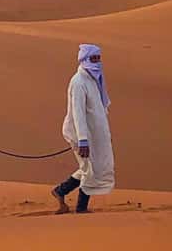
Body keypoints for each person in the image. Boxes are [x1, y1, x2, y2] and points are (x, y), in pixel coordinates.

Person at [54, 43, 115, 214]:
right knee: (90, 169)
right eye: (93, 58)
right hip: (80, 134)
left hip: (93, 133)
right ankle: (81, 208)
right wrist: (82, 140)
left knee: (92, 167)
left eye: (98, 58)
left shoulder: (94, 79)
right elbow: (78, 113)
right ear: (84, 59)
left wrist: (103, 134)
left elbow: (98, 111)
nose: (97, 62)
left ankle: (61, 191)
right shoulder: (78, 82)